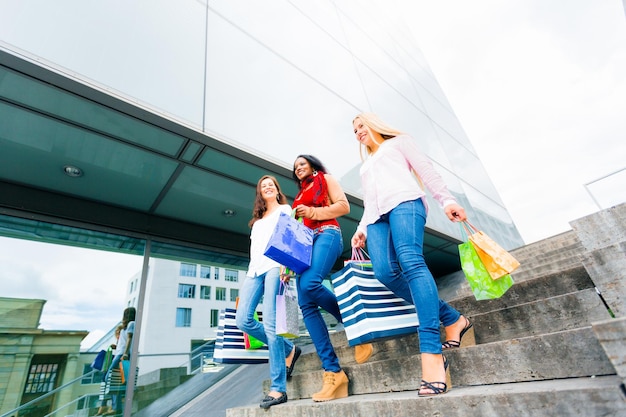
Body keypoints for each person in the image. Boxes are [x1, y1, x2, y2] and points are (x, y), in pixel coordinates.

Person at [350, 113, 473, 397]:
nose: (358, 132)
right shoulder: (365, 166)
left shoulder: (400, 142)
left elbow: (426, 172)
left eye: (361, 126)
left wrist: (448, 200)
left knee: (411, 261)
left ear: (373, 124)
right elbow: (369, 202)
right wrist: (361, 229)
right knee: (384, 272)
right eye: (354, 130)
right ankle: (453, 318)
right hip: (377, 219)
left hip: (406, 204)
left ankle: (431, 352)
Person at [291, 154, 372, 402]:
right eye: (295, 167)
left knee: (310, 284)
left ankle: (356, 327)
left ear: (312, 165)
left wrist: (313, 211)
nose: (298, 168)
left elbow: (343, 206)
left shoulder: (325, 179)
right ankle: (333, 372)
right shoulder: (298, 196)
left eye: (302, 164)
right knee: (306, 304)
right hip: (305, 245)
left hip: (327, 233)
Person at [235, 175, 301, 409]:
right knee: (243, 319)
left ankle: (278, 389)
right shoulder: (257, 221)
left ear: (277, 189)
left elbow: (291, 239)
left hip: (276, 267)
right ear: (260, 193)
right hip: (254, 271)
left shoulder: (286, 209)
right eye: (263, 185)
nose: (268, 186)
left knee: (272, 326)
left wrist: (287, 267)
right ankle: (289, 350)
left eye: (271, 184)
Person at [104, 307, 136, 415]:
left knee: (109, 377)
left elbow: (130, 339)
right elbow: (123, 341)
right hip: (119, 353)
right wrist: (116, 346)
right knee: (115, 379)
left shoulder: (132, 323)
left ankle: (116, 406)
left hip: (122, 354)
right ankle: (116, 406)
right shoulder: (125, 327)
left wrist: (125, 353)